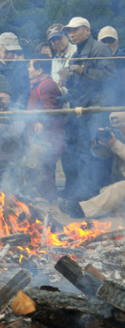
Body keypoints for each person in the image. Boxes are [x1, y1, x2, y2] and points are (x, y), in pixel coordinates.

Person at [60, 17, 116, 201]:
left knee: (96, 151)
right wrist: (67, 80)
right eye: (69, 31)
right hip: (84, 108)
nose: (71, 34)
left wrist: (83, 71)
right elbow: (79, 87)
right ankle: (84, 193)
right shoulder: (77, 53)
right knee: (82, 150)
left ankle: (96, 194)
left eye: (75, 30)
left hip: (99, 108)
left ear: (87, 30)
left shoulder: (99, 49)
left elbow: (110, 77)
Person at [59, 112, 125, 218]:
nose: (120, 131)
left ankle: (81, 211)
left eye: (122, 127)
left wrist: (116, 144)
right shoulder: (119, 139)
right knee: (105, 191)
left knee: (116, 190)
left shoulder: (118, 142)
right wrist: (100, 144)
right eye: (117, 129)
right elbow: (100, 155)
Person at [24, 53, 63, 202]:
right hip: (38, 134)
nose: (28, 69)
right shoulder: (38, 84)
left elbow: (49, 110)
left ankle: (48, 197)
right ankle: (44, 195)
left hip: (47, 136)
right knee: (41, 166)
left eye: (31, 65)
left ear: (40, 70)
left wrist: (40, 123)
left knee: (45, 167)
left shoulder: (46, 85)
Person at [0, 32, 30, 108]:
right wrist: (9, 105)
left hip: (19, 108)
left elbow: (26, 87)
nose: (10, 55)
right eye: (7, 51)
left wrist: (19, 104)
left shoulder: (21, 64)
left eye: (13, 51)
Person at [98, 26, 125, 105]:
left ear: (117, 43)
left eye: (111, 41)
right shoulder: (93, 60)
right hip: (100, 102)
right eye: (104, 41)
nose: (107, 44)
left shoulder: (123, 58)